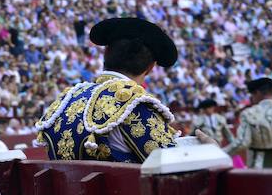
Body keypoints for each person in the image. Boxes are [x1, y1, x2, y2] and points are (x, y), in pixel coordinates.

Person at [35, 17, 180, 163]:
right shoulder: (134, 105)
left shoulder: (65, 100)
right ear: (150, 68)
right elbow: (174, 166)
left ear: (106, 53)